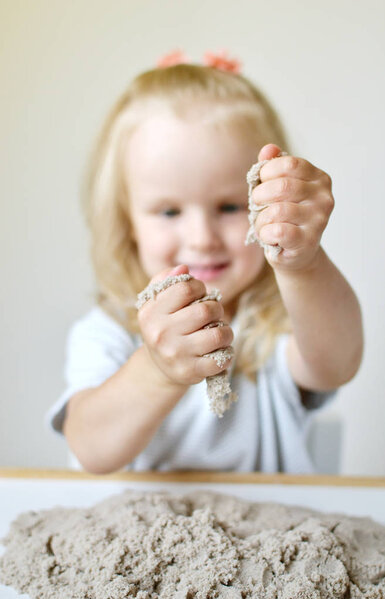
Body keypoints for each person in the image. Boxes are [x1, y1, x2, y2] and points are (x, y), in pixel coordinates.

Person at [46, 50, 363, 475]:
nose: (202, 238)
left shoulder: (273, 326)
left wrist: (302, 263)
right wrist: (159, 370)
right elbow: (90, 449)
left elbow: (336, 365)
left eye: (230, 206)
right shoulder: (109, 333)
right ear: (127, 223)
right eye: (169, 212)